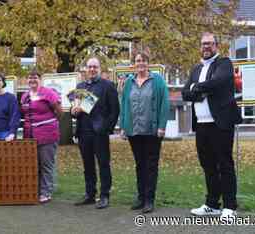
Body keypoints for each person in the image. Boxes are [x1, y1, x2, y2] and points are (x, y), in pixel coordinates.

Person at [182, 32, 242, 219]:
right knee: (207, 165)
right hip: (201, 125)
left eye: (209, 43)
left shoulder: (224, 63)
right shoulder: (196, 69)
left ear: (216, 45)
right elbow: (185, 93)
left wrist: (197, 88)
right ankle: (212, 204)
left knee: (225, 164)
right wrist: (199, 90)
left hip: (220, 123)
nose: (205, 47)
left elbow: (218, 82)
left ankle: (230, 206)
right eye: (203, 44)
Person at [120, 52, 170, 213]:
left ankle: (149, 199)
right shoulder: (129, 82)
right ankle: (141, 198)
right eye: (137, 61)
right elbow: (124, 105)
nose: (140, 63)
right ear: (134, 64)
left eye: (143, 60)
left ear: (148, 63)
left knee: (151, 166)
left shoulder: (158, 81)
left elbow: (164, 104)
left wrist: (162, 126)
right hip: (134, 131)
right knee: (139, 165)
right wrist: (123, 127)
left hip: (152, 131)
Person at [72, 57, 120, 209]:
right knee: (88, 165)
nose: (92, 69)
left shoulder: (108, 85)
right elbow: (76, 109)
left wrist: (106, 128)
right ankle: (90, 194)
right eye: (89, 67)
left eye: (95, 67)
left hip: (99, 132)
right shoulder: (80, 86)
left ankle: (105, 195)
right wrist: (74, 111)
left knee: (103, 164)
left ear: (99, 69)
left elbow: (115, 111)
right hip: (83, 132)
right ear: (85, 69)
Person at [20, 69, 62, 203]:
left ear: (40, 79)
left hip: (47, 135)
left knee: (46, 164)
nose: (32, 80)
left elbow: (59, 111)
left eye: (35, 78)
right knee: (33, 164)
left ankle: (46, 192)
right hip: (30, 136)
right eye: (30, 77)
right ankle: (35, 190)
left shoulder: (48, 93)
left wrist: (51, 124)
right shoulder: (24, 96)